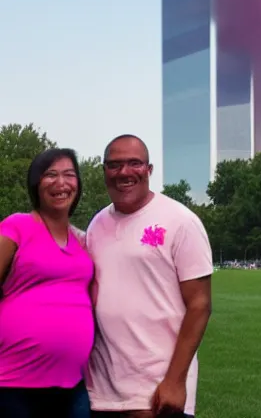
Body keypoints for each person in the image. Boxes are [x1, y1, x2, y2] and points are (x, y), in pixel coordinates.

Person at [86, 135, 213, 418]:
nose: (124, 173)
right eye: (114, 165)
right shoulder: (97, 224)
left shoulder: (180, 221)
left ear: (149, 170)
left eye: (134, 164)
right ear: (104, 171)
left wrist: (175, 381)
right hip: (102, 394)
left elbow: (200, 304)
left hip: (156, 392)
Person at [0, 148, 94, 418]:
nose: (61, 183)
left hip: (73, 386)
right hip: (12, 385)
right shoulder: (17, 226)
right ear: (36, 184)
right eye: (50, 175)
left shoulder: (82, 242)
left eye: (69, 175)